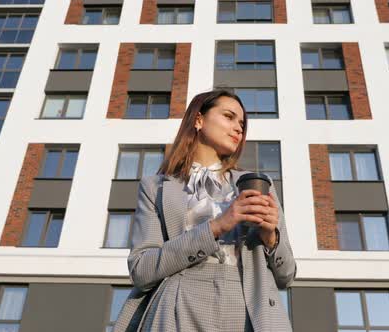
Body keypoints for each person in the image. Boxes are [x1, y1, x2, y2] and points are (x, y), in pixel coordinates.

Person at [114, 89, 296, 332]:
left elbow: (286, 276)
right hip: (178, 307)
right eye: (229, 117)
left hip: (247, 308)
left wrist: (271, 237)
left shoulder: (258, 184)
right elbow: (141, 271)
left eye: (242, 123)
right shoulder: (155, 187)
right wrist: (217, 226)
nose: (239, 128)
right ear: (199, 120)